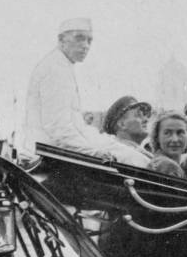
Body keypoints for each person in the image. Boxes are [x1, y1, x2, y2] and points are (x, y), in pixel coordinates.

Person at [22, 18, 150, 167]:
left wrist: (117, 145)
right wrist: (93, 153)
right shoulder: (55, 70)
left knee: (136, 155)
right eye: (79, 38)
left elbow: (77, 128)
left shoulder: (61, 65)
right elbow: (58, 129)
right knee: (138, 162)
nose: (85, 46)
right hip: (47, 157)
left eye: (89, 41)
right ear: (61, 40)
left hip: (55, 152)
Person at [102, 96, 153, 161]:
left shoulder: (137, 151)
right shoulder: (125, 154)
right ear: (122, 124)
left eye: (144, 115)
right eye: (138, 115)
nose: (146, 119)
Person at [147, 111, 187, 178]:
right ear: (157, 137)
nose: (175, 139)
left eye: (180, 133)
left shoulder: (160, 163)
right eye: (167, 133)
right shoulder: (167, 166)